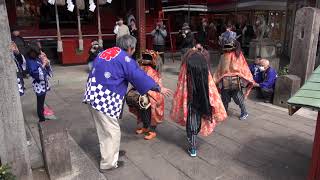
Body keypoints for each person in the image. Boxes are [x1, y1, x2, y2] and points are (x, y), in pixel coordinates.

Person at [83, 35, 172, 172]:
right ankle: (108, 164)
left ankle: (111, 154)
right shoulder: (125, 58)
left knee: (105, 129)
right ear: (130, 48)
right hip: (104, 97)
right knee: (112, 131)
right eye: (134, 48)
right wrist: (158, 88)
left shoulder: (108, 51)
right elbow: (138, 76)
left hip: (92, 93)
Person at [171, 47, 227, 157]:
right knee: (195, 122)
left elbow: (181, 85)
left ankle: (192, 147)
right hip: (203, 99)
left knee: (192, 123)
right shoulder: (204, 66)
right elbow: (211, 88)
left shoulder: (186, 66)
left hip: (191, 100)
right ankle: (192, 141)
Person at [214, 29, 255, 120]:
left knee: (238, 97)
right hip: (225, 80)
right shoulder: (223, 56)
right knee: (224, 97)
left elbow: (243, 67)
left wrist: (242, 77)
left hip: (235, 79)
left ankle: (244, 112)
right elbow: (220, 69)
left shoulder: (238, 55)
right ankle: (224, 111)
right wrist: (216, 79)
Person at [128, 50, 165, 140]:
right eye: (144, 57)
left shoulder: (153, 72)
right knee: (142, 112)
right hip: (142, 94)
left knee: (151, 114)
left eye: (147, 58)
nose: (145, 59)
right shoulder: (141, 68)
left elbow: (155, 85)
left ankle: (152, 131)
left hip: (152, 95)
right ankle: (145, 127)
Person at [26, 42, 52, 122]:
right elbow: (35, 73)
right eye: (35, 53)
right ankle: (41, 118)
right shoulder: (30, 61)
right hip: (38, 84)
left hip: (43, 83)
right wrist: (43, 64)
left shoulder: (36, 58)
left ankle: (42, 113)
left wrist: (46, 64)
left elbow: (45, 70)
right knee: (40, 102)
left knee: (42, 100)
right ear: (31, 52)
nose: (37, 55)